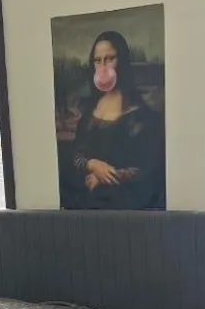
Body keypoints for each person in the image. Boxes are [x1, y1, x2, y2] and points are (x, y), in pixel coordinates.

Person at [68, 31, 165, 209]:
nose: (103, 67)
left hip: (126, 207)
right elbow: (76, 154)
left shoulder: (141, 116)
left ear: (122, 61)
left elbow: (146, 169)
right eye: (98, 60)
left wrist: (103, 177)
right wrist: (92, 164)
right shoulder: (90, 109)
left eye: (110, 59)